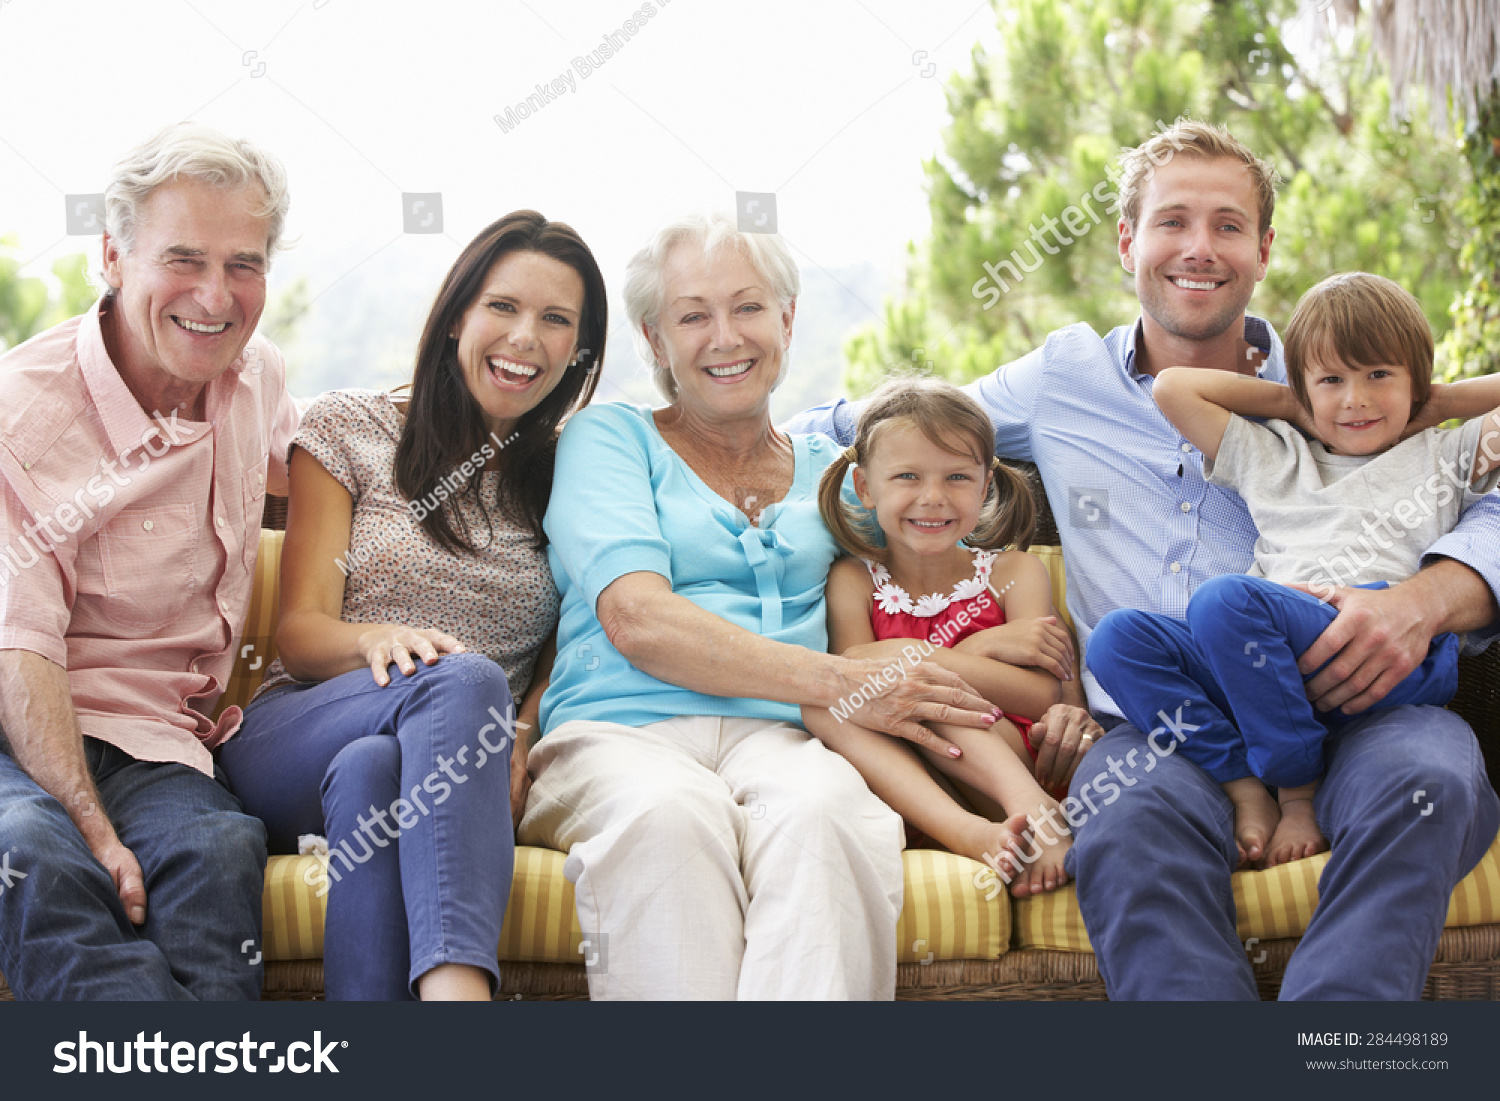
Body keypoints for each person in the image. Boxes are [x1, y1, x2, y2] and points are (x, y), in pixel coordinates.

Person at [788, 118, 1500, 999]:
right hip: (1154, 723)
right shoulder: (1061, 380)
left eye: (1228, 225)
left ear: (1265, 249)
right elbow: (866, 429)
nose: (1199, 249)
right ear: (1128, 240)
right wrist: (726, 452)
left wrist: (1432, 595)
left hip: (1356, 701)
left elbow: (1473, 479)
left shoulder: (1345, 382)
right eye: (1173, 221)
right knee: (1122, 819)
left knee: (1431, 780)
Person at [519, 211, 1002, 1000]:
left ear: (787, 317)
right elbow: (637, 618)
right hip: (619, 730)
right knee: (669, 815)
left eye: (747, 307)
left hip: (784, 737)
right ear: (654, 339)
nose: (724, 336)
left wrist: (1035, 672)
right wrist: (844, 682)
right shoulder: (609, 438)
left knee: (828, 813)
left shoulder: (839, 474)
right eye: (692, 315)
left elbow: (938, 551)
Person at [218, 211, 606, 1001]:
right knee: (460, 679)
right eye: (503, 306)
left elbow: (571, 643)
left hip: (444, 755)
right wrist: (378, 639)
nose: (526, 337)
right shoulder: (351, 430)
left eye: (556, 319)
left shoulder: (575, 473)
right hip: (301, 725)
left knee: (376, 772)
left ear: (579, 350)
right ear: (458, 312)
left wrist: (522, 737)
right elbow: (299, 634)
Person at [0, 123, 299, 999]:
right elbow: (24, 646)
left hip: (155, 737)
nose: (215, 296)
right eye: (184, 258)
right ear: (113, 256)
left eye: (243, 263)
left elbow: (314, 477)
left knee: (219, 848)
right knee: (33, 856)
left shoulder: (256, 379)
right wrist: (93, 828)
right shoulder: (24, 415)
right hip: (19, 723)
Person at [1092, 272, 1500, 868]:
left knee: (1222, 602)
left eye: (1379, 375)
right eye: (1332, 379)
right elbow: (1174, 388)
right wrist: (1294, 404)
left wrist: (1437, 402)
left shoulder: (1446, 453)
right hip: (1264, 658)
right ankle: (1241, 780)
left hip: (1385, 649)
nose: (1355, 399)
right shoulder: (1275, 453)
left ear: (1416, 378)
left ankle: (1296, 791)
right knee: (1116, 641)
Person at [801, 376, 1078, 895]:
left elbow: (1043, 694)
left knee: (914, 685)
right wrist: (958, 652)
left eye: (956, 477)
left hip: (1011, 767)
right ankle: (971, 835)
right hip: (917, 783)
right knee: (826, 703)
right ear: (864, 487)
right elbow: (853, 674)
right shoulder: (853, 580)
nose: (933, 498)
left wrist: (912, 658)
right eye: (907, 476)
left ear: (985, 485)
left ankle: (1035, 812)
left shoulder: (1012, 572)